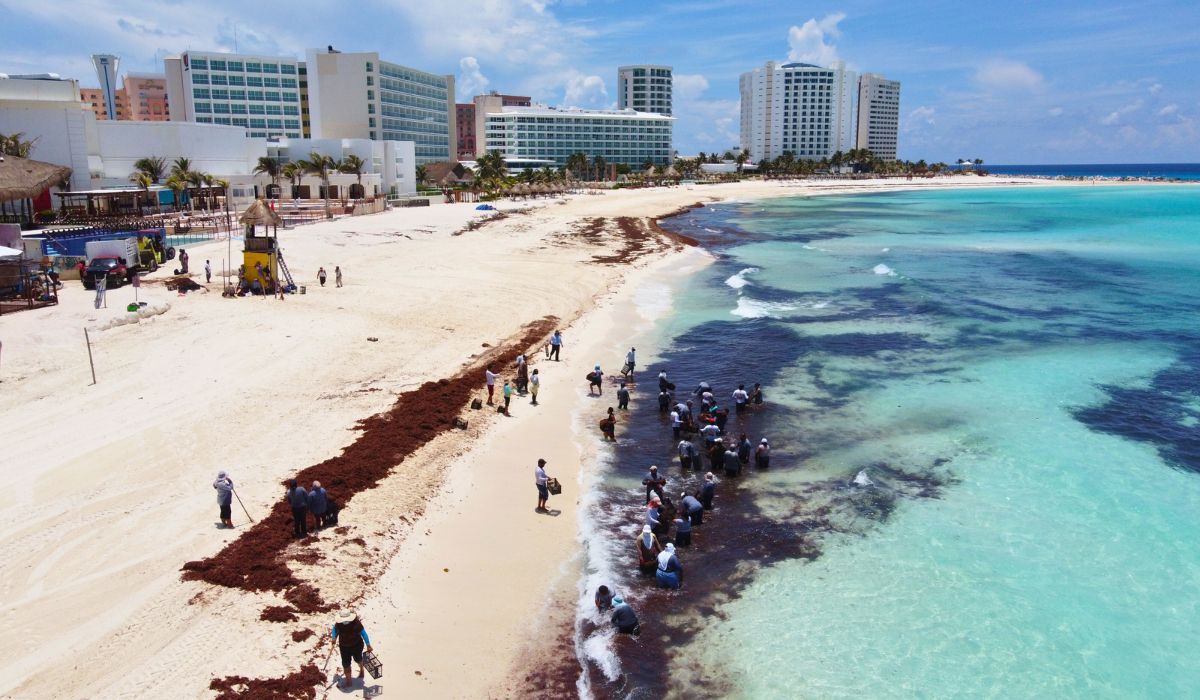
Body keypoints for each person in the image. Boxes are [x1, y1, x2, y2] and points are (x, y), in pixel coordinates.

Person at [330, 610, 372, 690]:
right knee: (345, 663)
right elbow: (334, 629)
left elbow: (363, 633)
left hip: (357, 645)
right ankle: (349, 681)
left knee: (358, 659)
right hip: (344, 646)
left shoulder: (356, 623)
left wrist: (368, 644)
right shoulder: (339, 624)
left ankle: (361, 670)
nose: (344, 622)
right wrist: (334, 638)